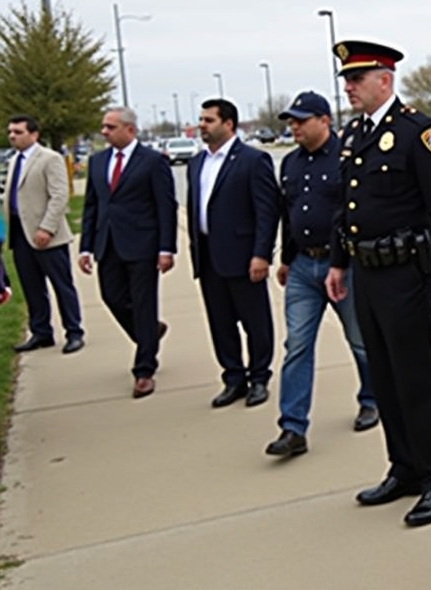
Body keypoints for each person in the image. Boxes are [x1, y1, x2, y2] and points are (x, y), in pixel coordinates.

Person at [324, 39, 431, 528]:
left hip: (407, 273)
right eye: (346, 80)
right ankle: (403, 467)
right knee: (383, 374)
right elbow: (348, 206)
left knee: (414, 374)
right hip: (366, 272)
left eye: (357, 79)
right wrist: (339, 262)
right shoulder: (356, 135)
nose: (349, 88)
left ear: (384, 79)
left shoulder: (418, 132)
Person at [265, 91, 378, 459]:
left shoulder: (347, 158)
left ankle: (371, 398)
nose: (293, 127)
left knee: (360, 340)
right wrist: (285, 257)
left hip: (341, 267)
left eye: (301, 120)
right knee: (297, 345)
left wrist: (342, 262)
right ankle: (292, 427)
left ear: (324, 120)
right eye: (291, 121)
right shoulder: (291, 164)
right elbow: (289, 211)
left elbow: (354, 214)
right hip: (301, 267)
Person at [77, 107, 178, 399]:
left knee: (144, 303)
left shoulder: (152, 162)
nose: (104, 132)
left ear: (129, 129)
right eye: (103, 127)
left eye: (110, 127)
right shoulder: (97, 162)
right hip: (107, 244)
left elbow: (165, 207)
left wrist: (166, 248)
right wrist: (86, 246)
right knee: (112, 297)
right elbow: (92, 208)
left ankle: (144, 370)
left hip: (142, 245)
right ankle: (148, 333)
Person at [188, 99, 280, 409]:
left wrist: (261, 254)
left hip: (243, 257)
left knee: (256, 323)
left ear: (229, 124)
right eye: (201, 120)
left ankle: (259, 378)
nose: (202, 125)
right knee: (220, 322)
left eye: (209, 120)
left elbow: (267, 212)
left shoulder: (253, 161)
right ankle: (233, 378)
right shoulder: (196, 163)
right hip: (209, 256)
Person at [4, 115, 84, 354]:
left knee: (62, 285)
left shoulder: (50, 159)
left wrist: (46, 228)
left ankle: (74, 332)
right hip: (20, 234)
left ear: (34, 134)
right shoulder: (14, 161)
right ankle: (41, 332)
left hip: (46, 236)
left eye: (18, 132)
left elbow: (59, 196)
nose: (12, 136)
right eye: (10, 132)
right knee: (32, 287)